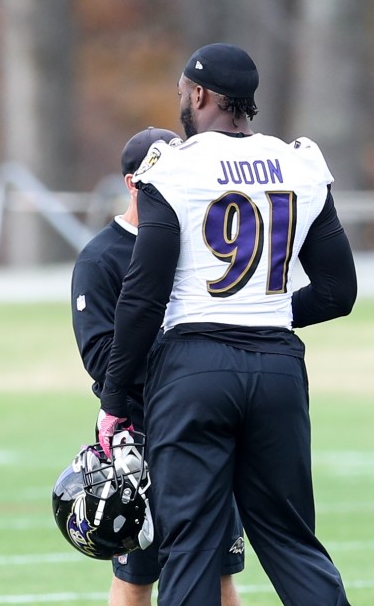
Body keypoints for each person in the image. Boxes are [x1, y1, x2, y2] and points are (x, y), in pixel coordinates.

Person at [97, 43, 357, 606]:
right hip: (278, 370)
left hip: (195, 370)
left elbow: (143, 297)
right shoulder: (299, 162)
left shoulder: (174, 167)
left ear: (199, 95)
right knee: (291, 542)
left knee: (189, 546)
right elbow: (340, 292)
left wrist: (115, 397)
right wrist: (267, 313)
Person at [71, 126, 245, 606]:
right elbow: (101, 357)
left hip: (208, 427)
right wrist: (187, 364)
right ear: (133, 183)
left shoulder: (204, 243)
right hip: (143, 436)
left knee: (220, 573)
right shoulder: (102, 258)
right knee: (136, 578)